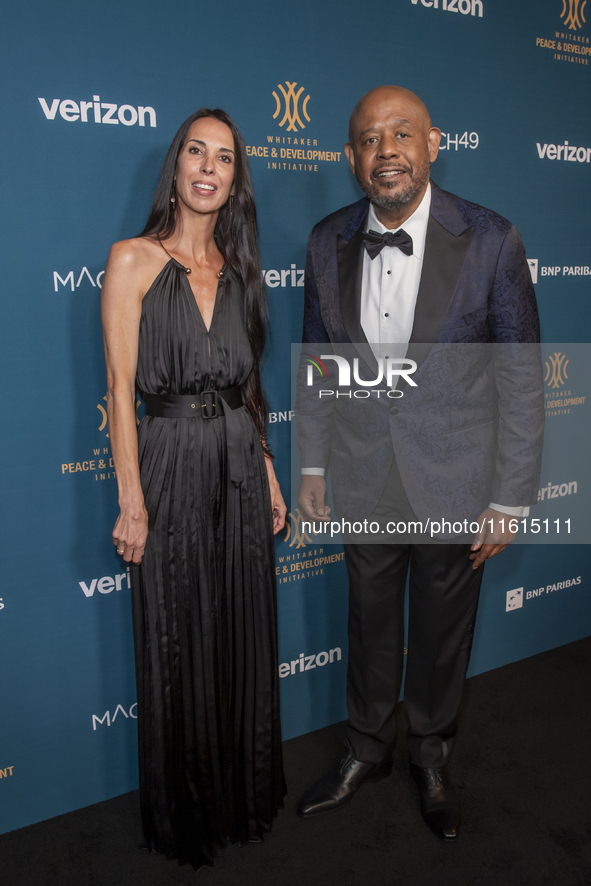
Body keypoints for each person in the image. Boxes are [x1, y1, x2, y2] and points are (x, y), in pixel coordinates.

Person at [296, 86, 544, 839]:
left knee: (440, 631)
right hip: (364, 470)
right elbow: (318, 362)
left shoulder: (491, 239)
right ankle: (366, 748)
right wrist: (310, 466)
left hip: (457, 477)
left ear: (433, 144)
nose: (387, 150)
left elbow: (521, 376)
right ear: (350, 158)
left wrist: (509, 494)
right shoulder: (324, 240)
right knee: (369, 622)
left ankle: (430, 753)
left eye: (402, 133)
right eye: (370, 139)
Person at [101, 108, 286, 870]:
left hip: (241, 462)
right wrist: (132, 499)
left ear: (236, 179)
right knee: (178, 634)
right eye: (195, 153)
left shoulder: (243, 272)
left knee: (241, 626)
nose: (208, 168)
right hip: (170, 459)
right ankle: (187, 811)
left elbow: (249, 389)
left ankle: (243, 794)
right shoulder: (132, 260)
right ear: (176, 167)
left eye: (224, 159)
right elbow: (117, 388)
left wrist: (270, 471)